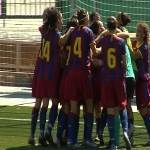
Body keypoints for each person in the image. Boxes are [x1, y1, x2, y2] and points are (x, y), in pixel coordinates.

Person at [28, 6, 72, 147]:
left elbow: (42, 28)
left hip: (39, 71)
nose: (62, 21)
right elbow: (63, 40)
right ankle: (46, 131)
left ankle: (34, 135)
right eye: (60, 19)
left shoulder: (44, 31)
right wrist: (71, 30)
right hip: (50, 73)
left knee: (39, 102)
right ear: (56, 21)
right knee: (52, 102)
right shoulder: (56, 35)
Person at [57, 9, 99, 149]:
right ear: (86, 18)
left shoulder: (73, 31)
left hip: (72, 71)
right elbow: (94, 52)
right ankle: (87, 138)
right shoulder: (88, 32)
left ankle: (71, 140)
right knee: (89, 104)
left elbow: (62, 43)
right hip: (83, 70)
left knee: (73, 106)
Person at [91, 16, 131, 150]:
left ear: (107, 28)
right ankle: (125, 131)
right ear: (116, 27)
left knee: (109, 110)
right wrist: (123, 71)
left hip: (106, 79)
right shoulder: (120, 42)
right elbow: (124, 64)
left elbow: (95, 50)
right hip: (118, 78)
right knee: (122, 106)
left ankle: (113, 141)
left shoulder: (104, 41)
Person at [131, 21, 150, 146]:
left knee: (144, 111)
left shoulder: (144, 47)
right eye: (136, 30)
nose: (137, 33)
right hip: (139, 82)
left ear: (144, 35)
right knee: (148, 110)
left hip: (144, 82)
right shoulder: (135, 44)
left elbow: (133, 56)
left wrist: (125, 44)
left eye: (139, 31)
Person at [54, 17, 78, 147]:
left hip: (64, 75)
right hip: (71, 75)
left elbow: (62, 55)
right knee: (69, 107)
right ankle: (64, 137)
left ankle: (61, 136)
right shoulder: (76, 41)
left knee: (66, 107)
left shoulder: (64, 41)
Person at [117, 11, 136, 146]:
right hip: (132, 73)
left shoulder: (120, 32)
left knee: (120, 106)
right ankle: (131, 132)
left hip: (125, 73)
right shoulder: (126, 31)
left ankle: (124, 130)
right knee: (128, 104)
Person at [90, 20, 105, 144]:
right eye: (101, 26)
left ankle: (97, 133)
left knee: (98, 107)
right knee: (98, 106)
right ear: (98, 29)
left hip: (98, 77)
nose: (104, 28)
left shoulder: (100, 40)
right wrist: (100, 62)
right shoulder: (97, 41)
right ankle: (98, 132)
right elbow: (93, 60)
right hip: (97, 77)